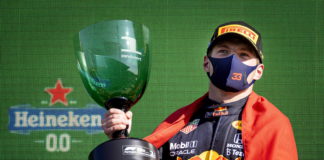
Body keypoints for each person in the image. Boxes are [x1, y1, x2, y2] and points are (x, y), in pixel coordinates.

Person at [101, 21, 298, 160]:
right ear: (206, 62)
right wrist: (122, 141)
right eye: (223, 51)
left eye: (244, 55)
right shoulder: (175, 124)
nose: (232, 60)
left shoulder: (272, 124)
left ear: (258, 71)